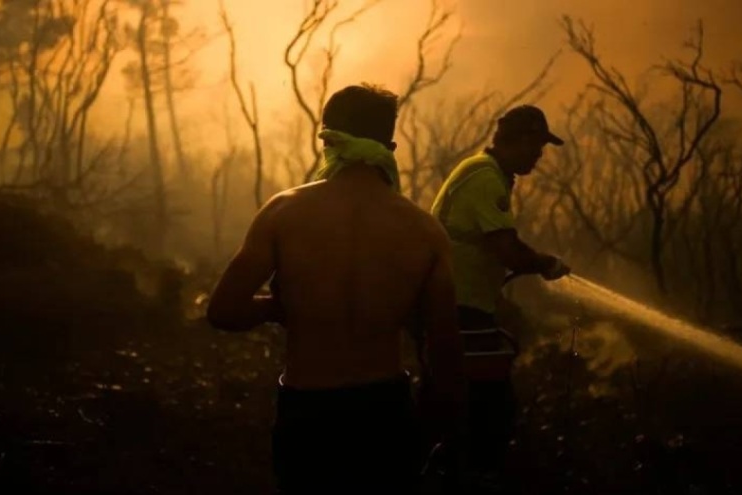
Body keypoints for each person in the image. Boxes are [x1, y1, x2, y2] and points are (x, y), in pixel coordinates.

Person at [206, 83, 466, 494]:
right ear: (390, 146)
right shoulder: (425, 230)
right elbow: (444, 348)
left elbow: (223, 311)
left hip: (308, 409)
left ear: (327, 140)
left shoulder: (283, 212)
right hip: (384, 411)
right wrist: (436, 427)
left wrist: (279, 307)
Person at [429, 104, 571, 489]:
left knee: (481, 408)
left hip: (468, 306)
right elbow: (506, 249)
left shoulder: (491, 175)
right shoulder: (484, 176)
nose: (539, 156)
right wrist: (545, 263)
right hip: (458, 309)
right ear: (517, 140)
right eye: (536, 147)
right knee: (488, 410)